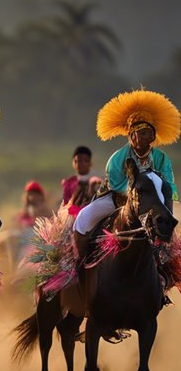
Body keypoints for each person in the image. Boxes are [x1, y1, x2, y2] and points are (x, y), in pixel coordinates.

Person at [73, 90, 178, 263]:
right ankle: (77, 266)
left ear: (153, 136)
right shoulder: (118, 158)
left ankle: (166, 269)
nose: (138, 137)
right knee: (83, 217)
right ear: (130, 136)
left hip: (153, 203)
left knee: (171, 232)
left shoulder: (162, 159)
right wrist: (139, 197)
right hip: (117, 200)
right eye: (134, 133)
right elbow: (116, 185)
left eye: (144, 132)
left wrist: (164, 205)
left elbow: (169, 185)